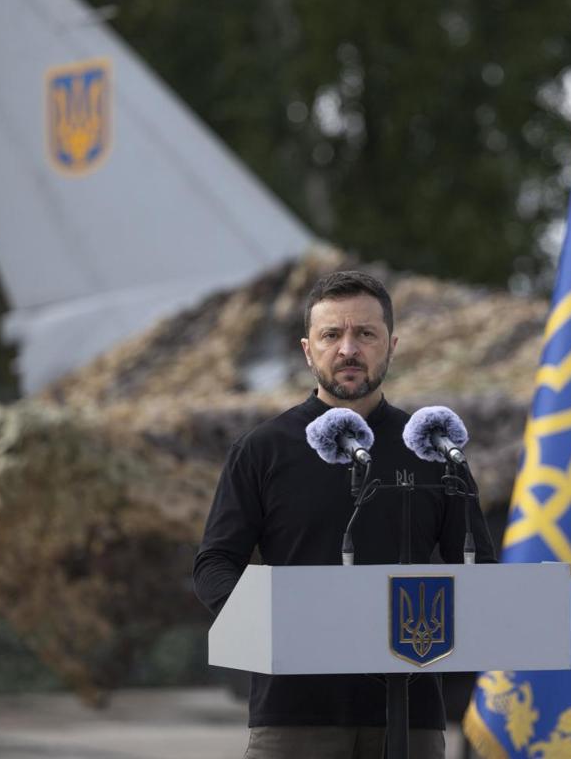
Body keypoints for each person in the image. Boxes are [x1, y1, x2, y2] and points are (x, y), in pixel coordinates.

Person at [193, 270, 497, 759]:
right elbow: (213, 566)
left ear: (391, 345)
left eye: (366, 334)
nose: (348, 349)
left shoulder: (434, 447)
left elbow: (480, 569)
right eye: (331, 334)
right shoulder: (262, 450)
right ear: (307, 349)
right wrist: (273, 623)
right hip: (293, 712)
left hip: (410, 714)